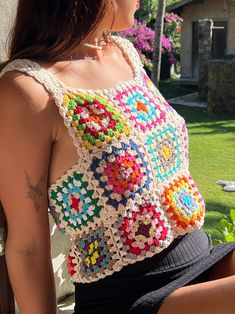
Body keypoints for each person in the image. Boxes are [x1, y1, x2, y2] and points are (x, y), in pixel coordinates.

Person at [0, 1, 234, 314]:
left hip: (201, 260)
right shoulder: (26, 91)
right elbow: (28, 244)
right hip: (130, 298)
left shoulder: (124, 54)